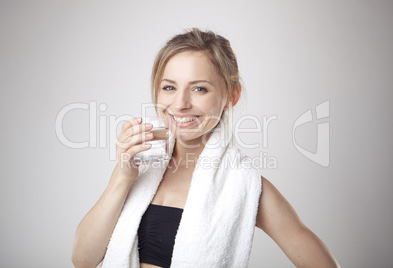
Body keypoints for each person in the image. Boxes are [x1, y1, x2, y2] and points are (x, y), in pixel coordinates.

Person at [71, 28, 340, 268]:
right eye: (169, 87)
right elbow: (83, 260)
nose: (180, 104)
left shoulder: (244, 185)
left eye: (199, 89)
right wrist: (122, 176)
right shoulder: (138, 167)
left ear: (230, 96)